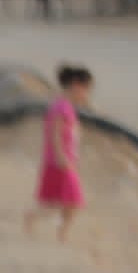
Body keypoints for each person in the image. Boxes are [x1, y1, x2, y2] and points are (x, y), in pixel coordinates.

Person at [25, 65, 92, 242]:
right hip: (59, 162)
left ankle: (60, 233)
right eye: (86, 90)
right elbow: (55, 134)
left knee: (67, 202)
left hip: (63, 161)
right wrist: (61, 158)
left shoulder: (65, 106)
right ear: (76, 85)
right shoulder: (61, 107)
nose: (86, 95)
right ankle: (34, 218)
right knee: (68, 201)